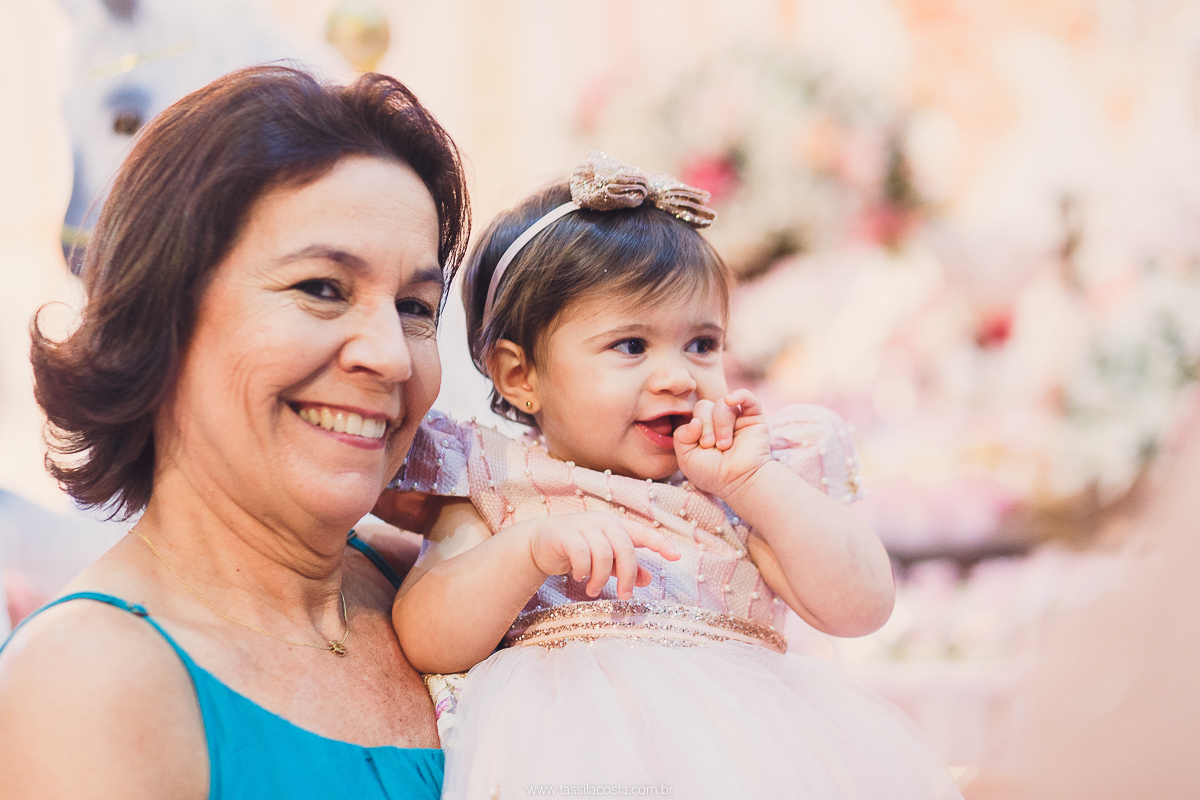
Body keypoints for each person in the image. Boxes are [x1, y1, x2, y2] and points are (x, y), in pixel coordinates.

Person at [388, 152, 963, 799]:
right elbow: (425, 637)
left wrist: (754, 485)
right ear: (520, 376)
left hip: (753, 753)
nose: (679, 376)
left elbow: (861, 608)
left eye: (703, 344)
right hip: (572, 760)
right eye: (631, 346)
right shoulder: (497, 480)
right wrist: (525, 551)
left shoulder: (733, 488)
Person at [0, 65, 470, 799]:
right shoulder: (87, 678)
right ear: (163, 321)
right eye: (322, 288)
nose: (388, 355)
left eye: (415, 306)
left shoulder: (442, 587)